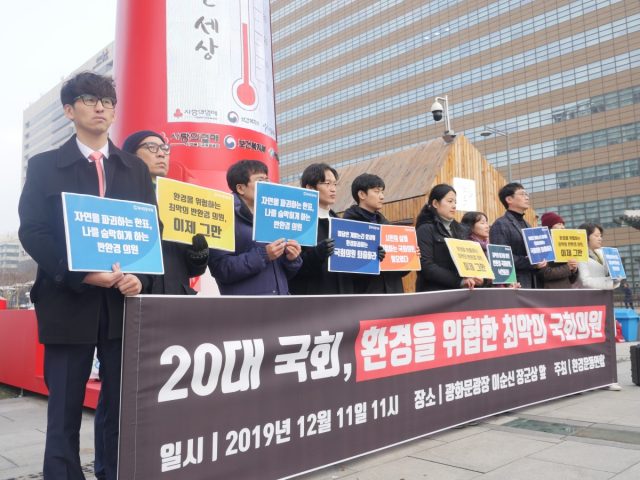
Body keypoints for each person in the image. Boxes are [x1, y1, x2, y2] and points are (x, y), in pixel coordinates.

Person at [18, 72, 156, 480]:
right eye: (90, 100)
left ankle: (113, 472)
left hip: (121, 305)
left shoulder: (134, 169)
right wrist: (81, 275)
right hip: (67, 301)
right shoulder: (44, 166)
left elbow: (150, 230)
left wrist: (140, 277)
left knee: (118, 405)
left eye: (108, 101)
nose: (101, 108)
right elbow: (33, 231)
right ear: (69, 110)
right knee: (63, 407)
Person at [122, 130, 209, 294]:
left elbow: (192, 270)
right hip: (136, 296)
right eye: (151, 147)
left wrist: (198, 256)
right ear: (130, 155)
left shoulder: (179, 200)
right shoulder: (117, 194)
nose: (161, 154)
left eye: (164, 148)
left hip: (177, 298)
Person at [208, 160, 302, 294]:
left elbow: (286, 274)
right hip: (248, 304)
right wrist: (263, 255)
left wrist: (291, 259)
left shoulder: (274, 216)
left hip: (280, 301)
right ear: (240, 188)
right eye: (261, 181)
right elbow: (222, 269)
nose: (268, 184)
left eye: (267, 180)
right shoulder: (222, 215)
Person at [289, 163, 354, 294]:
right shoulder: (298, 222)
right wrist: (317, 253)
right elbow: (292, 267)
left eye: (335, 184)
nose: (333, 189)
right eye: (327, 183)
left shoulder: (341, 224)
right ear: (310, 188)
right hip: (314, 298)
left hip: (343, 298)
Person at [342, 173, 406, 294]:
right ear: (362, 194)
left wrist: (410, 257)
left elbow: (400, 272)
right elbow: (347, 270)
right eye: (377, 192)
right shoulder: (347, 227)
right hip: (367, 296)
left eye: (382, 192)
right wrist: (372, 258)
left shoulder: (387, 226)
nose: (382, 196)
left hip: (394, 294)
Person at [415, 184, 483, 291]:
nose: (454, 206)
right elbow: (426, 266)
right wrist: (459, 281)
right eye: (450, 201)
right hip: (434, 293)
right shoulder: (425, 229)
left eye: (455, 202)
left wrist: (478, 276)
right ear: (435, 203)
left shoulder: (460, 230)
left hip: (460, 292)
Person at [489, 183, 546, 288]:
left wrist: (540, 259)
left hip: (533, 282)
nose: (527, 197)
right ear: (509, 199)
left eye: (527, 194)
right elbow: (501, 258)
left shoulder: (527, 224)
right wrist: (531, 262)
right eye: (522, 194)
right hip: (515, 284)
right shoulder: (500, 224)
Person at [538, 212, 579, 289]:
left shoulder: (565, 244)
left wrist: (574, 269)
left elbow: (572, 279)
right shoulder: (543, 245)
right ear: (549, 227)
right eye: (559, 224)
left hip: (566, 289)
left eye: (563, 224)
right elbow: (545, 273)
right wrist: (568, 267)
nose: (563, 227)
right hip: (550, 291)